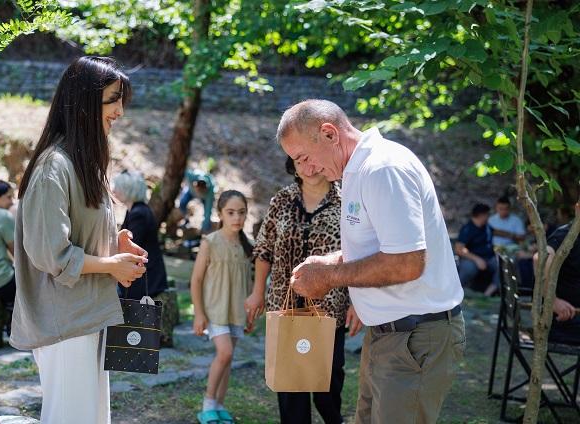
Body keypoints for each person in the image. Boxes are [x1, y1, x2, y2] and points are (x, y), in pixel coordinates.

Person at [277, 99, 465, 423]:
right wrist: (331, 262)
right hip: (389, 334)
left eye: (304, 157)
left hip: (415, 336)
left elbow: (407, 262)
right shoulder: (355, 171)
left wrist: (328, 277)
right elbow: (383, 246)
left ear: (329, 134)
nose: (306, 170)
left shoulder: (382, 169)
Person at [9, 56, 148, 424]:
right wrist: (111, 265)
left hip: (88, 313)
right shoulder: (53, 166)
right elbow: (50, 252)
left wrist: (115, 243)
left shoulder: (84, 162)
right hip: (64, 322)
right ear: (83, 101)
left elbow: (77, 235)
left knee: (92, 417)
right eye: (112, 100)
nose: (119, 111)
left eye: (122, 101)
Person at [245, 156, 363, 424]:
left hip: (330, 308)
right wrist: (257, 291)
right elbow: (264, 249)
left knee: (329, 380)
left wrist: (358, 301)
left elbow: (359, 256)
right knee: (289, 384)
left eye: (313, 161)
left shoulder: (347, 202)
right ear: (293, 167)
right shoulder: (281, 200)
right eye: (300, 163)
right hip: (284, 305)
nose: (308, 169)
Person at [190, 190, 253, 424]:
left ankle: (219, 405)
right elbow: (196, 280)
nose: (237, 218)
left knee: (229, 357)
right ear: (220, 214)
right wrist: (199, 313)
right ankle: (208, 404)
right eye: (230, 212)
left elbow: (248, 283)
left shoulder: (247, 246)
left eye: (241, 212)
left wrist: (249, 315)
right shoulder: (210, 242)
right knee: (224, 352)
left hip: (236, 310)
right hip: (214, 310)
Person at [112, 169, 169, 300]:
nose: (114, 190)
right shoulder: (136, 210)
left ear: (128, 189)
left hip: (146, 282)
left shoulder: (138, 214)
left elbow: (131, 246)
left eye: (118, 187)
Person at [534, 202, 580, 346]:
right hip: (566, 319)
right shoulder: (566, 235)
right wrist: (552, 301)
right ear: (577, 209)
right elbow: (540, 259)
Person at [454, 203, 500, 296]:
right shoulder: (467, 229)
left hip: (489, 257)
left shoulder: (486, 227)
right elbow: (459, 248)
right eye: (487, 215)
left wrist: (513, 235)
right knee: (469, 268)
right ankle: (457, 291)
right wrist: (477, 259)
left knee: (502, 265)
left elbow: (496, 232)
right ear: (481, 215)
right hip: (472, 258)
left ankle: (488, 293)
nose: (489, 217)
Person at [178, 168, 217, 232]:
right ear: (195, 184)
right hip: (190, 192)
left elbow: (208, 212)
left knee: (207, 215)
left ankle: (206, 229)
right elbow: (182, 172)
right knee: (182, 203)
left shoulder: (210, 192)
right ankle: (186, 219)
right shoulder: (191, 177)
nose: (200, 191)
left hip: (204, 198)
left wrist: (203, 231)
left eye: (202, 189)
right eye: (199, 188)